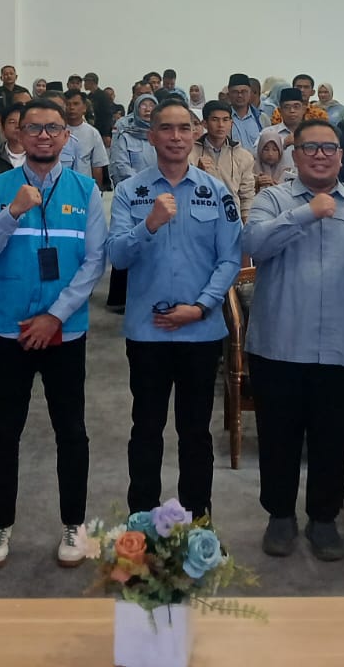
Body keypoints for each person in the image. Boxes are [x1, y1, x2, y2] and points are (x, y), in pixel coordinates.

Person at [0, 98, 107, 569]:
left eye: (53, 128)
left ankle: (74, 523)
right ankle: (0, 523)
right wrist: (11, 213)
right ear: (18, 135)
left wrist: (55, 316)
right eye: (34, 128)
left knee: (71, 431)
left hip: (64, 332)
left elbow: (94, 262)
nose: (44, 135)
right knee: (4, 431)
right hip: (8, 329)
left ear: (67, 136)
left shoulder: (85, 190)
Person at [107, 99, 242, 519]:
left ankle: (197, 519)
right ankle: (142, 519)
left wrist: (201, 307)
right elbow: (117, 257)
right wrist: (148, 224)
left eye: (184, 128)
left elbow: (230, 259)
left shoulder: (215, 191)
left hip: (200, 332)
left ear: (196, 133)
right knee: (146, 428)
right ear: (151, 136)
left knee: (195, 431)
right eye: (166, 128)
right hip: (147, 332)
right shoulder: (130, 192)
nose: (176, 136)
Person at [244, 118, 344, 562]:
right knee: (277, 436)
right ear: (294, 155)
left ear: (342, 156)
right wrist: (306, 212)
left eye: (329, 148)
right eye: (310, 147)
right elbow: (254, 244)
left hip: (341, 340)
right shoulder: (272, 198)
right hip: (279, 341)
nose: (320, 154)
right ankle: (280, 515)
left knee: (331, 437)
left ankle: (323, 518)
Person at [195, 101, 257, 222]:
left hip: (232, 219)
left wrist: (246, 223)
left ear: (231, 123)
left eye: (225, 120)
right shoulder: (190, 153)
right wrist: (197, 172)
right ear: (205, 123)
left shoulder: (243, 156)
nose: (221, 125)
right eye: (215, 119)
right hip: (200, 218)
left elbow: (247, 196)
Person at [59, 89, 108, 188]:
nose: (71, 108)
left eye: (76, 104)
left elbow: (97, 165)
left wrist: (97, 190)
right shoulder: (56, 131)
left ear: (84, 108)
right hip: (60, 186)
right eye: (68, 104)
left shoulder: (92, 133)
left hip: (84, 187)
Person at [109, 94, 159, 187]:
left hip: (160, 186)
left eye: (152, 106)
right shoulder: (125, 137)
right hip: (134, 187)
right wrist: (141, 184)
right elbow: (121, 165)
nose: (147, 109)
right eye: (143, 106)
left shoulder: (162, 135)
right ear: (136, 109)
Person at [224, 73, 264, 151]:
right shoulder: (224, 119)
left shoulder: (261, 118)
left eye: (244, 91)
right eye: (235, 92)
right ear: (229, 94)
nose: (240, 95)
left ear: (250, 93)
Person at [254, 126, 295, 191]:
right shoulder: (250, 169)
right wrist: (256, 184)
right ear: (260, 150)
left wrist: (277, 188)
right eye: (266, 149)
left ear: (280, 151)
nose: (270, 154)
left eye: (275, 150)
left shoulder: (287, 172)